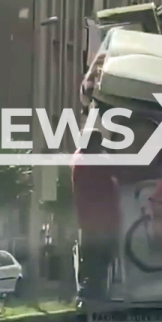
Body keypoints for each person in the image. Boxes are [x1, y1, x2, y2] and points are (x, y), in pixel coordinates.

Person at [72, 128, 120, 299]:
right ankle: (94, 292)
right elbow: (117, 172)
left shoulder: (78, 158)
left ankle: (90, 291)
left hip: (86, 220)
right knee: (102, 258)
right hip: (104, 220)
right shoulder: (93, 160)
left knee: (92, 258)